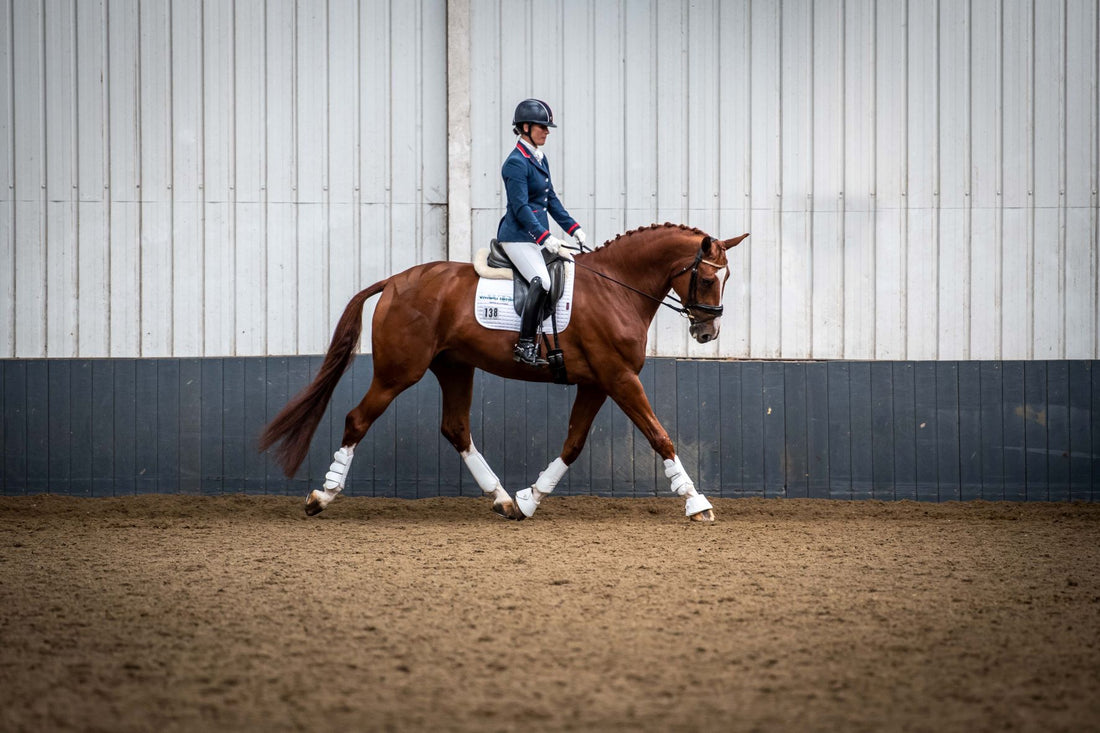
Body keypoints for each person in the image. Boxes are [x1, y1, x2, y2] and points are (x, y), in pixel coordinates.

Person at [497, 98, 587, 367]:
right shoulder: (515, 163)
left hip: (534, 235)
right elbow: (521, 207)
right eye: (542, 127)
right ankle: (525, 345)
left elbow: (551, 200)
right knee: (542, 281)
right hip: (516, 236)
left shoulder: (538, 157)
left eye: (548, 128)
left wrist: (574, 228)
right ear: (525, 127)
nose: (547, 132)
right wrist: (544, 237)